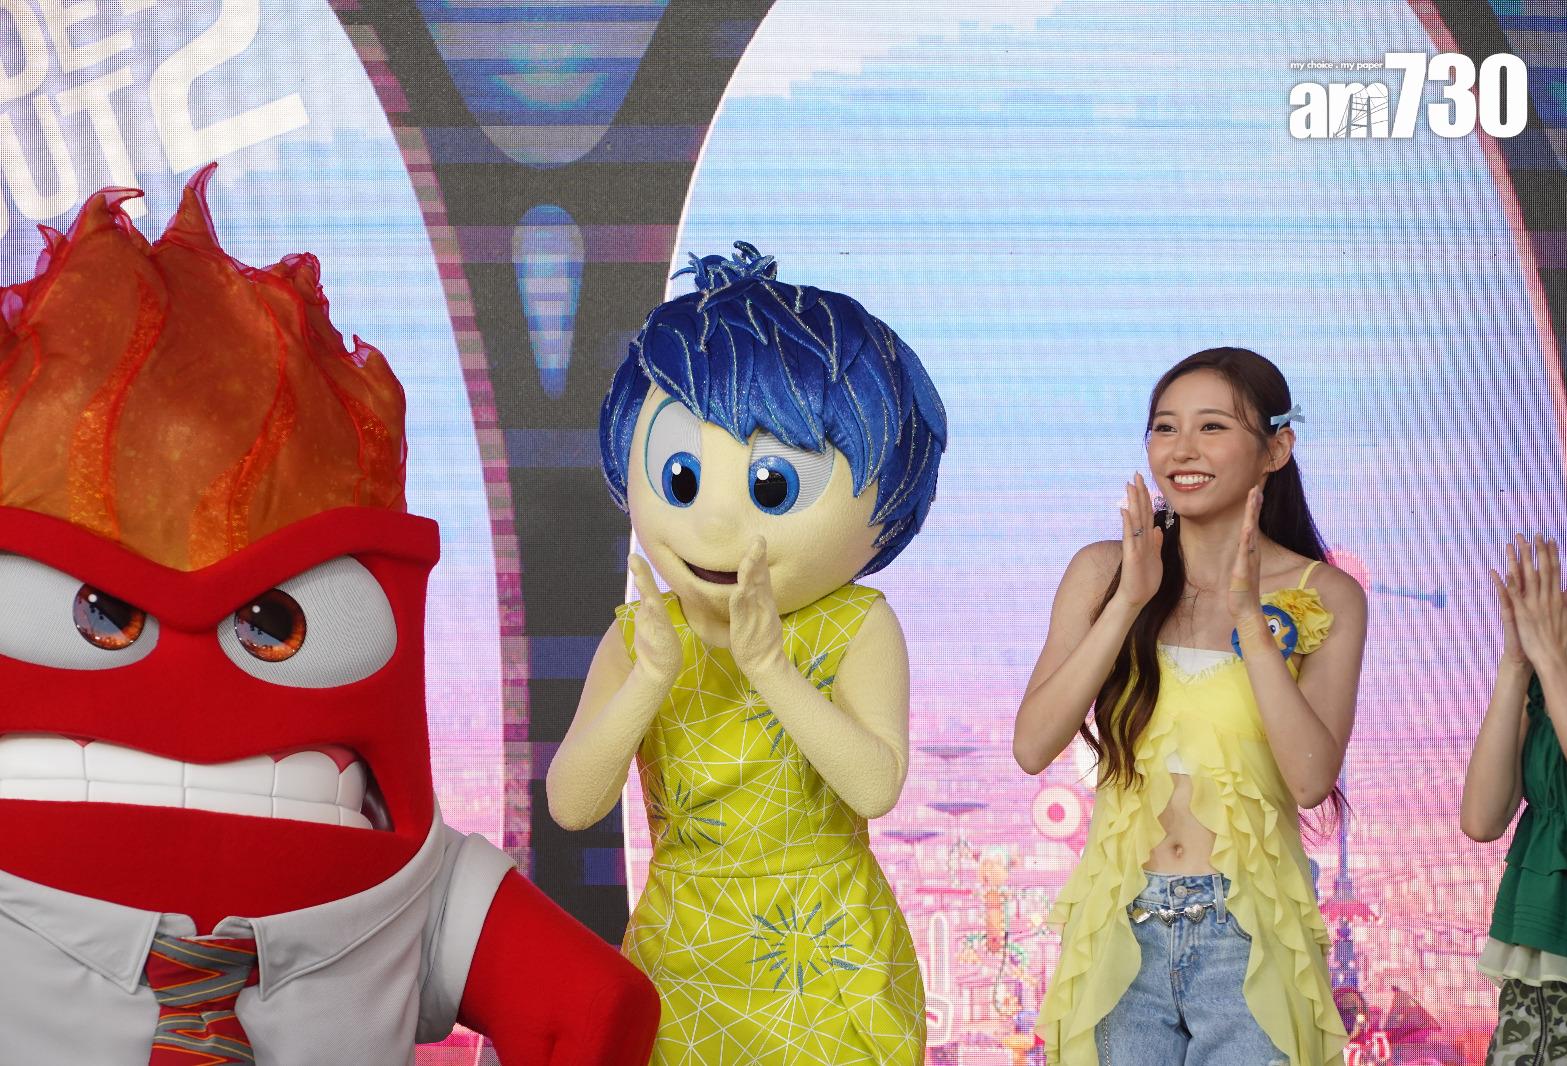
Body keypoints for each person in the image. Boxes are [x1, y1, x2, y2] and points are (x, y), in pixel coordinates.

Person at [0, 170, 658, 1062]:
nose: (195, 666)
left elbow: (586, 1007)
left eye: (272, 623)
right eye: (105, 614)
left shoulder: (424, 888)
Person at [548, 244, 947, 1065]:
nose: (715, 525)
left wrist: (772, 670)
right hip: (683, 959)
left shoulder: (856, 624)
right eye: (683, 478)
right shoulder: (642, 632)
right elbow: (572, 805)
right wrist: (648, 679)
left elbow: (875, 785)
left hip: (827, 961)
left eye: (772, 486)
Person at [1015, 347, 1365, 1064]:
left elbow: (1310, 779)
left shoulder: (1325, 595)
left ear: (1276, 449)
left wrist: (1251, 623)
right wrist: (1128, 602)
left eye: (1212, 427)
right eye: (1165, 428)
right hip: (1120, 925)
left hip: (1250, 931)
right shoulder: (1101, 570)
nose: (1181, 450)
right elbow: (1033, 746)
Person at [1462, 466, 1567, 1064]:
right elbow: (1482, 818)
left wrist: (1552, 662)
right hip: (1538, 966)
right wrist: (1519, 662)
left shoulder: (1559, 656)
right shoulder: (1566, 645)